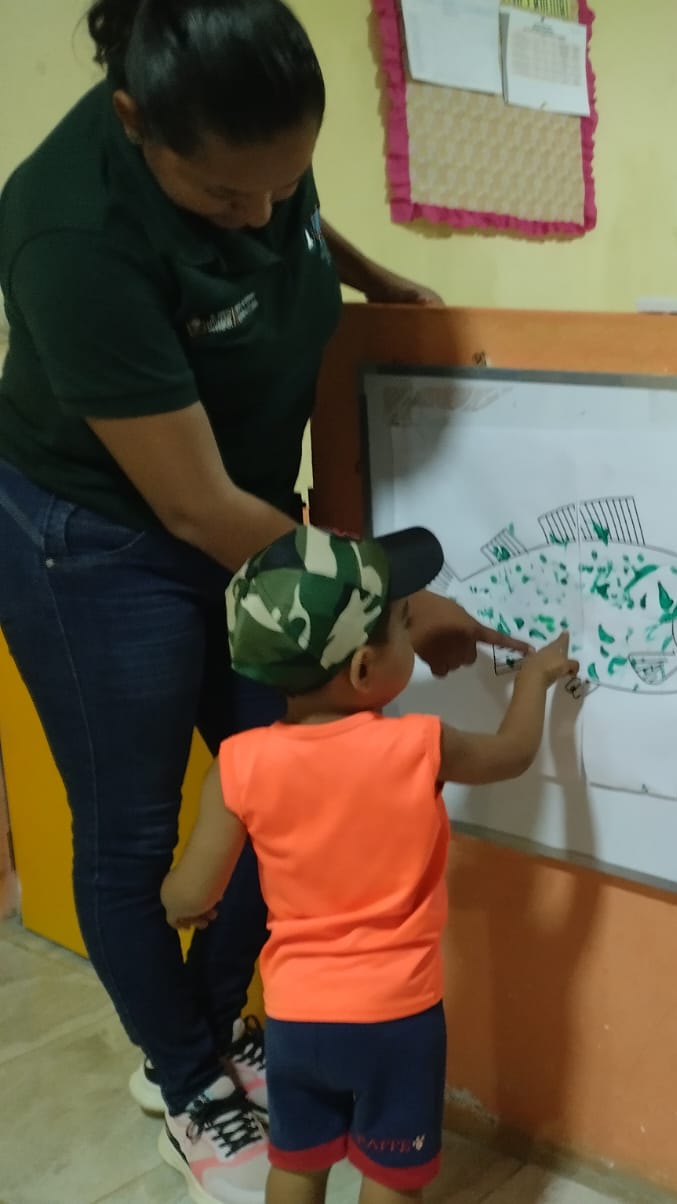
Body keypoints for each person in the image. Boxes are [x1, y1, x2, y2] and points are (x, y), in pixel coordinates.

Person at [0, 3, 526, 1201]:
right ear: (135, 122)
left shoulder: (251, 137)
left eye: (284, 183)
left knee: (284, 771)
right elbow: (192, 507)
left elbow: (287, 212)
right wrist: (392, 600)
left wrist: (371, 277)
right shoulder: (68, 234)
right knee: (133, 834)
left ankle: (208, 1026)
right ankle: (188, 1078)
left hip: (247, 515)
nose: (261, 213)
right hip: (98, 541)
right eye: (227, 197)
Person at [160, 525, 578, 1203]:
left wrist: (184, 904)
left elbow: (190, 892)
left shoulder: (238, 764)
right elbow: (512, 753)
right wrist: (534, 679)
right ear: (362, 669)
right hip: (398, 1019)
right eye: (405, 628)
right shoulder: (421, 746)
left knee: (297, 1162)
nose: (412, 637)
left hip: (297, 1018)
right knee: (390, 1176)